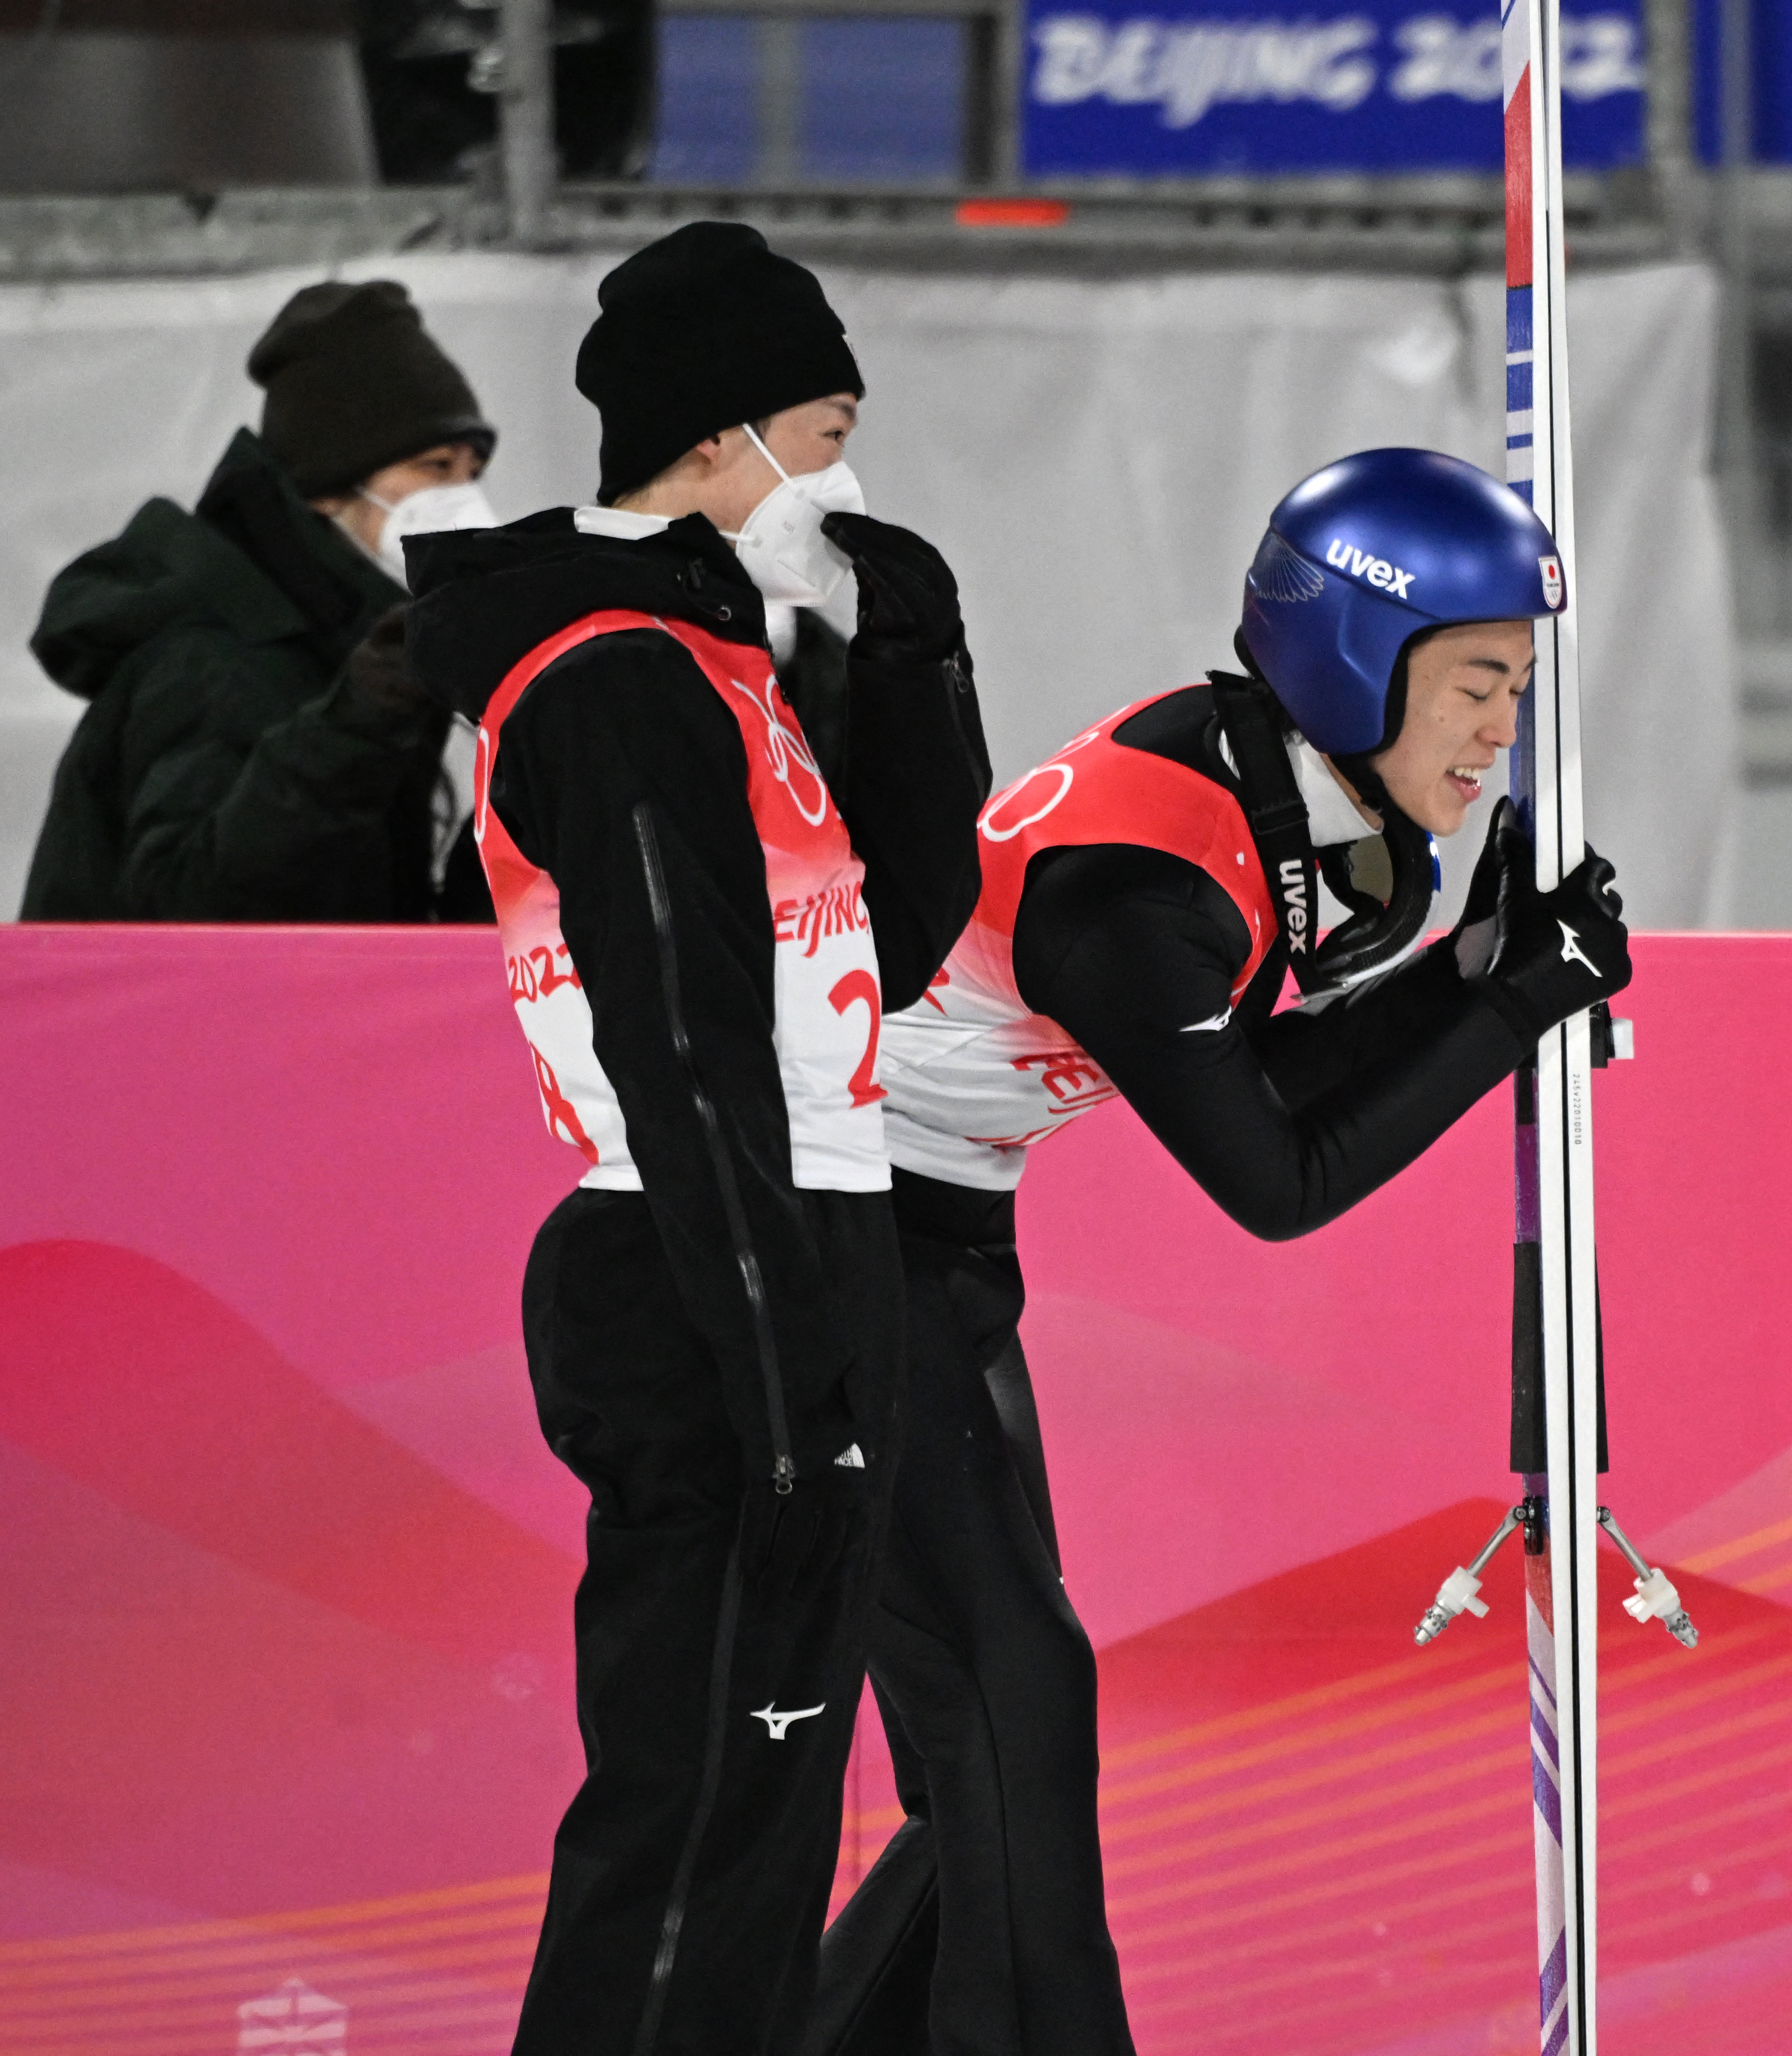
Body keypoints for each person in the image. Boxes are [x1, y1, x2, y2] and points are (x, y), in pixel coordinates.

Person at [802, 448, 1634, 2056]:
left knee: (993, 1727)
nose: (1499, 728)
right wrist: (1511, 995)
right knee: (1011, 1695)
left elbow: (1287, 1069)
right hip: (826, 1233)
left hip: (935, 1231)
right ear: (1352, 657)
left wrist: (1486, 970)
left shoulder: (1297, 800)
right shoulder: (1141, 878)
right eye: (1474, 681)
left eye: (1517, 687)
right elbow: (1279, 1174)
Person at [402, 220, 986, 2056]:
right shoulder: (611, 679)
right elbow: (685, 1045)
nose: (848, 475)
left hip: (798, 1239)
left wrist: (915, 658)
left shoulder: (718, 670)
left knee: (768, 1815)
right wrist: (780, 1379)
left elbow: (893, 943)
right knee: (693, 1811)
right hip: (703, 1257)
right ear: (721, 442)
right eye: (827, 433)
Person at [22, 278, 502, 922]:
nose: (464, 497)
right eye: (435, 467)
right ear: (326, 489)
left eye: (472, 472)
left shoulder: (341, 649)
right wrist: (357, 726)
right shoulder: (215, 661)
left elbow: (367, 921)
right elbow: (187, 921)